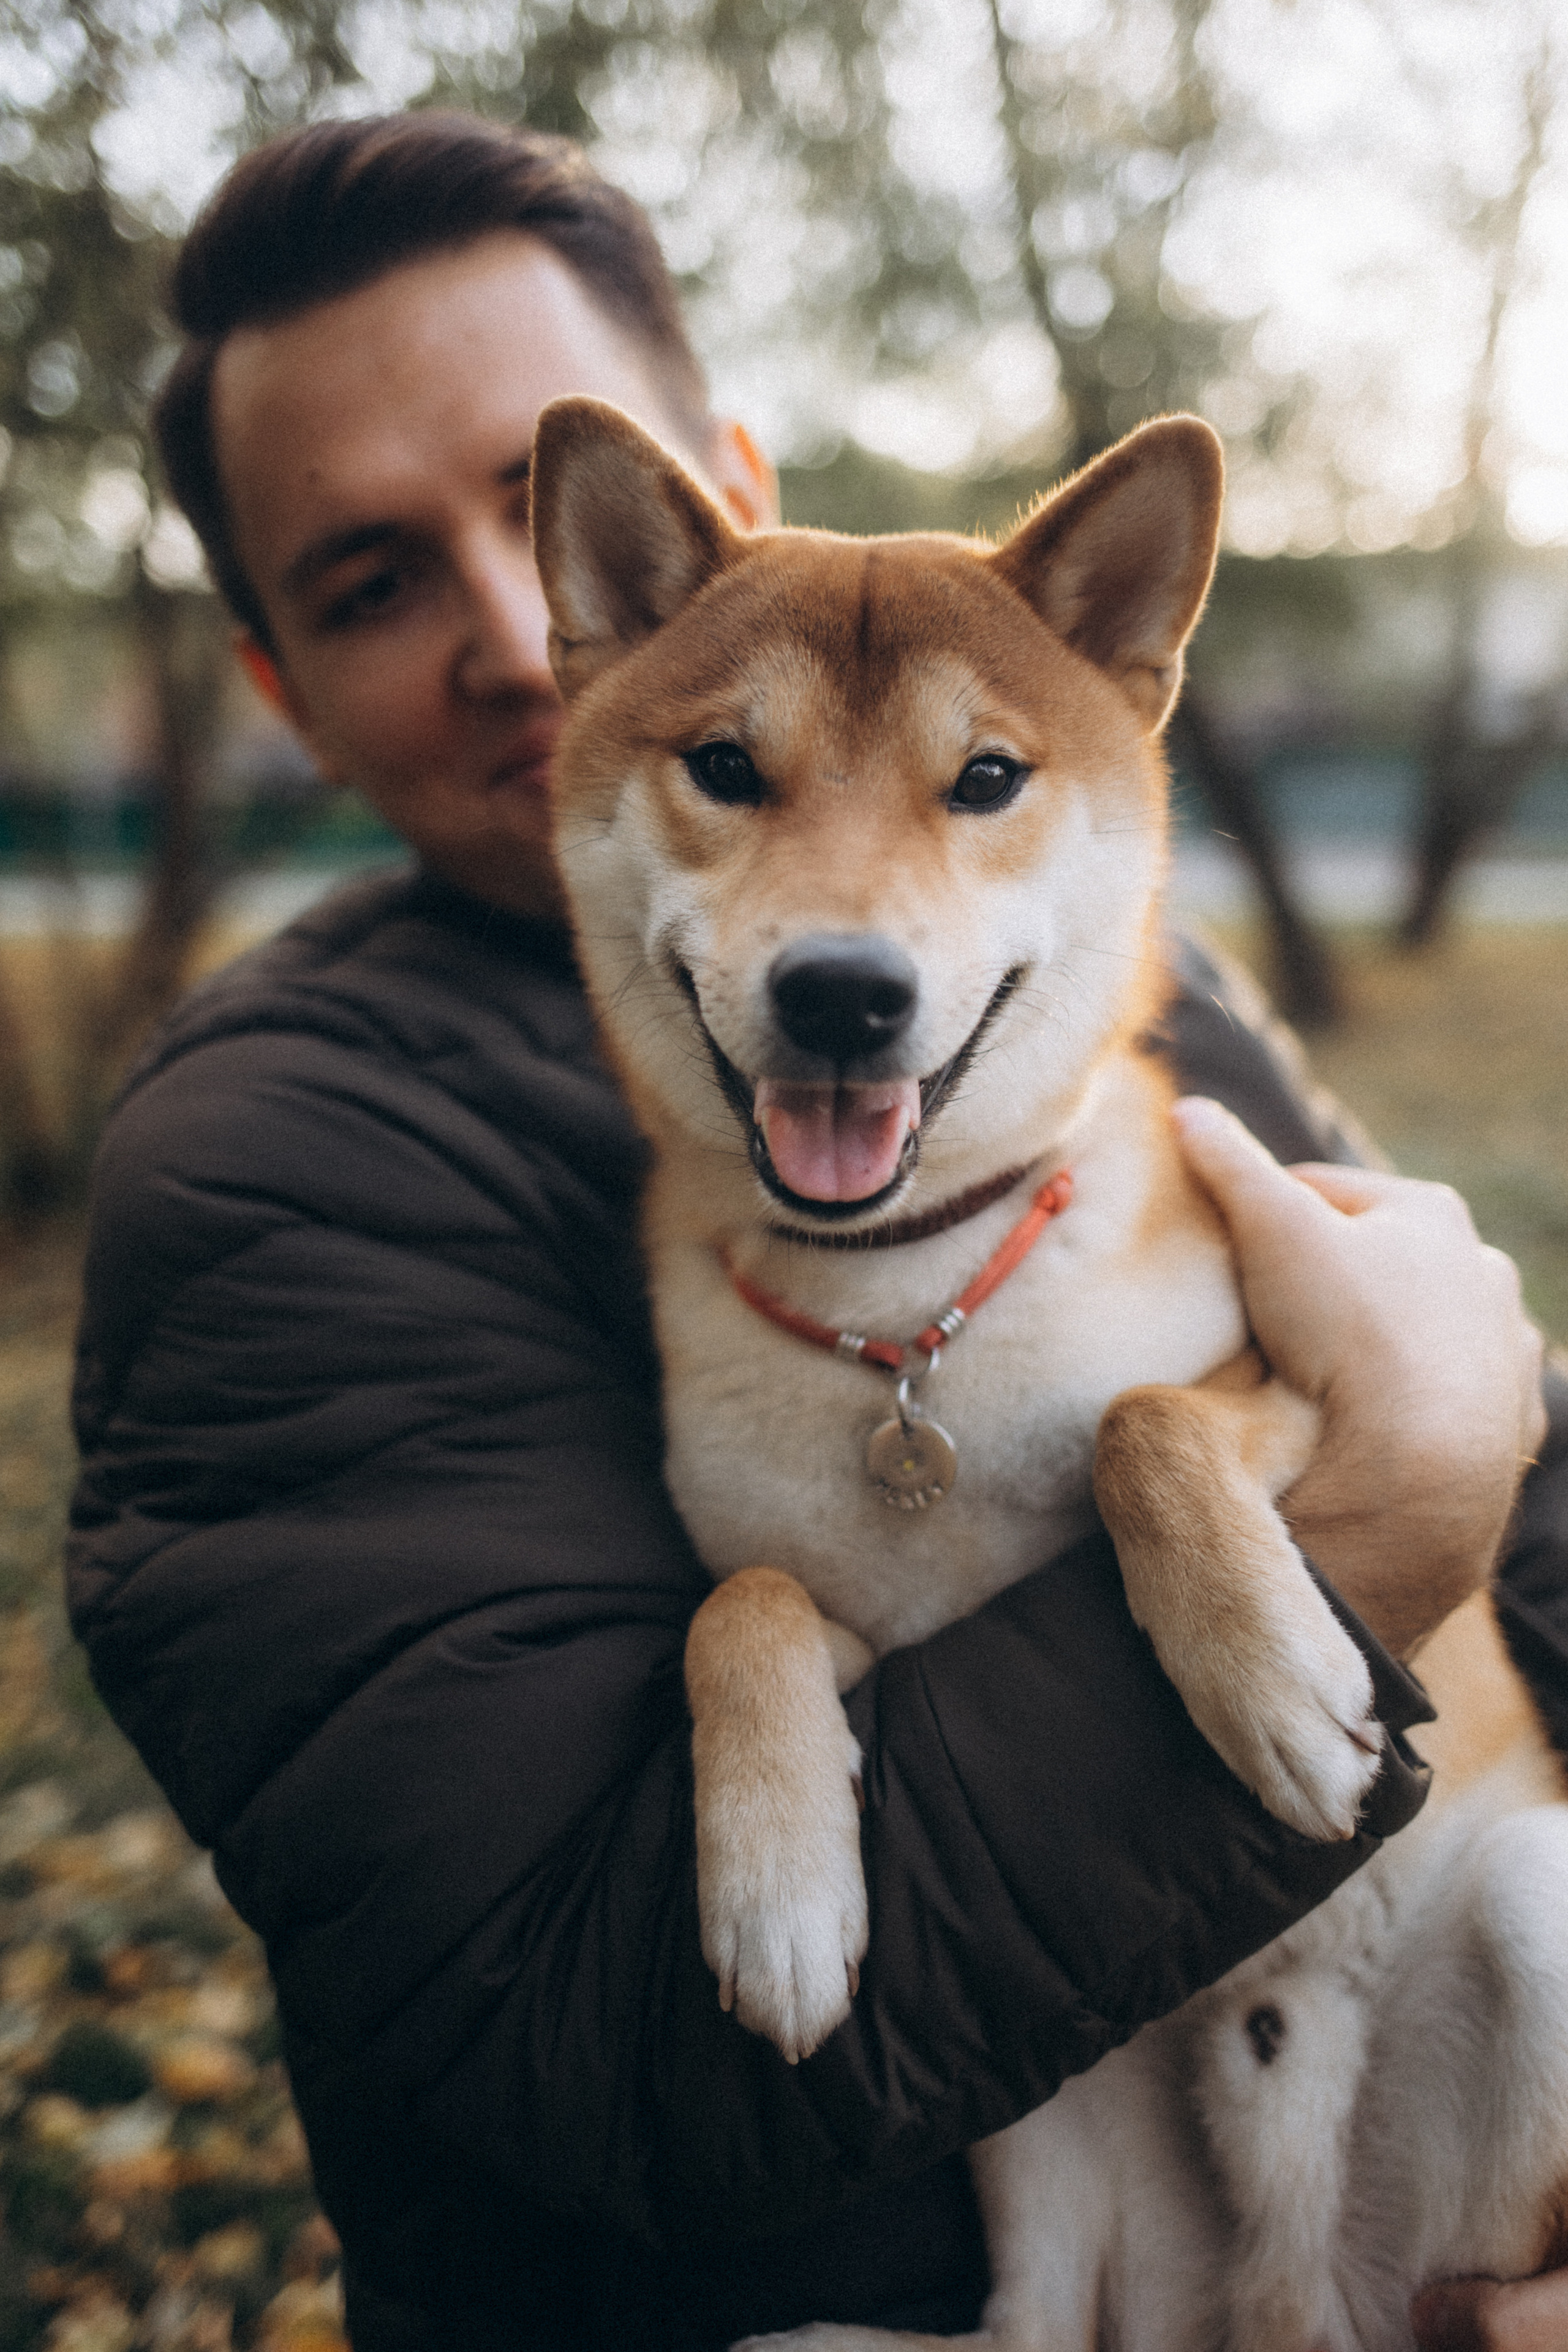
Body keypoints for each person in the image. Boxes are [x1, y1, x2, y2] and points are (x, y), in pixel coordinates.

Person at [65, 113, 1564, 2351]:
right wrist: (1382, 1505)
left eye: (531, 512)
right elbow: (593, 2025)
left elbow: (1543, 1553)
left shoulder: (1127, 1005)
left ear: (727, 501)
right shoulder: (267, 1169)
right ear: (272, 679)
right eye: (371, 582)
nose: (506, 637)